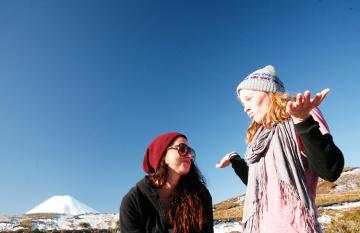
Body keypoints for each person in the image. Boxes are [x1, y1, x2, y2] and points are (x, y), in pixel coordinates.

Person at [216, 65, 344, 233]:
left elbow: (330, 170)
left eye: (248, 98)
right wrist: (236, 160)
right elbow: (261, 187)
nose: (245, 107)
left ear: (270, 92)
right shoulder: (259, 138)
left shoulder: (302, 114)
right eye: (242, 104)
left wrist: (303, 121)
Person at [120, 132, 214, 233]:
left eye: (191, 152)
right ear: (163, 155)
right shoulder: (133, 202)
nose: (190, 155)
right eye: (182, 149)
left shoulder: (200, 194)